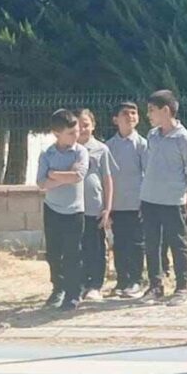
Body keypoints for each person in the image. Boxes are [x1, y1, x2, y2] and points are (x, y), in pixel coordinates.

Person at [140, 90, 187, 307]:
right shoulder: (152, 135)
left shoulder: (184, 139)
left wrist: (179, 190)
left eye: (152, 110)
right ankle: (155, 285)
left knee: (178, 243)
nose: (149, 115)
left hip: (173, 201)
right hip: (149, 198)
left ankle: (182, 286)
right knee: (152, 243)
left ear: (166, 111)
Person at [36, 109, 89, 311]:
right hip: (52, 209)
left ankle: (73, 293)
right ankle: (58, 288)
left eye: (76, 131)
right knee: (54, 253)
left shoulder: (80, 151)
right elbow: (41, 183)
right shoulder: (47, 153)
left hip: (74, 211)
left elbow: (77, 176)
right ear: (57, 133)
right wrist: (61, 177)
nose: (76, 136)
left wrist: (54, 174)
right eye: (70, 133)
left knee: (72, 253)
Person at [107, 102, 148, 299]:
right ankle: (122, 280)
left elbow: (148, 174)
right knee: (120, 243)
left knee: (137, 243)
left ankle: (136, 280)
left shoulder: (142, 144)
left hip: (136, 203)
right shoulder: (109, 146)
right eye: (125, 113)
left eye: (134, 113)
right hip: (116, 204)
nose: (130, 117)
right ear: (115, 119)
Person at [76, 109, 116, 301]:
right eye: (78, 125)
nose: (83, 129)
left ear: (93, 126)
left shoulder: (101, 149)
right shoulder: (68, 149)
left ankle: (95, 285)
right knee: (77, 248)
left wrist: (107, 208)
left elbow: (107, 180)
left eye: (86, 124)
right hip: (73, 209)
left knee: (96, 247)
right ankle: (79, 282)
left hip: (95, 208)